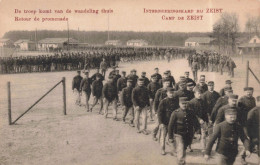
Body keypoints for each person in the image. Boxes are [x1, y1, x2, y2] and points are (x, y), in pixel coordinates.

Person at [168, 97, 200, 165]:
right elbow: (170, 126)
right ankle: (181, 162)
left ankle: (181, 161)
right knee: (181, 147)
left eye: (185, 103)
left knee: (184, 148)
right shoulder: (175, 113)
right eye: (182, 104)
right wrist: (170, 137)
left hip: (188, 134)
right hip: (178, 134)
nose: (184, 105)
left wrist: (198, 132)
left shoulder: (191, 112)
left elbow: (196, 122)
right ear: (179, 104)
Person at [157, 87, 179, 155]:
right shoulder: (163, 101)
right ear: (167, 93)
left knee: (173, 136)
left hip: (173, 122)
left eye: (172, 93)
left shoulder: (176, 100)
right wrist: (161, 123)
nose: (171, 94)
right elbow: (159, 113)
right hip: (165, 122)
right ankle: (162, 149)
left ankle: (173, 150)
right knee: (163, 136)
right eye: (170, 93)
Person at [188, 88, 208, 153]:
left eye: (200, 93)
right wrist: (198, 119)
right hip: (193, 121)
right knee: (191, 134)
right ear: (194, 94)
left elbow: (205, 112)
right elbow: (191, 113)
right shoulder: (191, 102)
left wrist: (206, 121)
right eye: (198, 94)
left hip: (202, 121)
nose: (199, 95)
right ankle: (189, 146)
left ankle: (203, 148)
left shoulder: (203, 102)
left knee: (203, 135)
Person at [246, 96, 260, 161]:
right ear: (257, 102)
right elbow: (248, 125)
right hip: (255, 134)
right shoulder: (253, 111)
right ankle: (243, 158)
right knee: (250, 148)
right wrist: (251, 135)